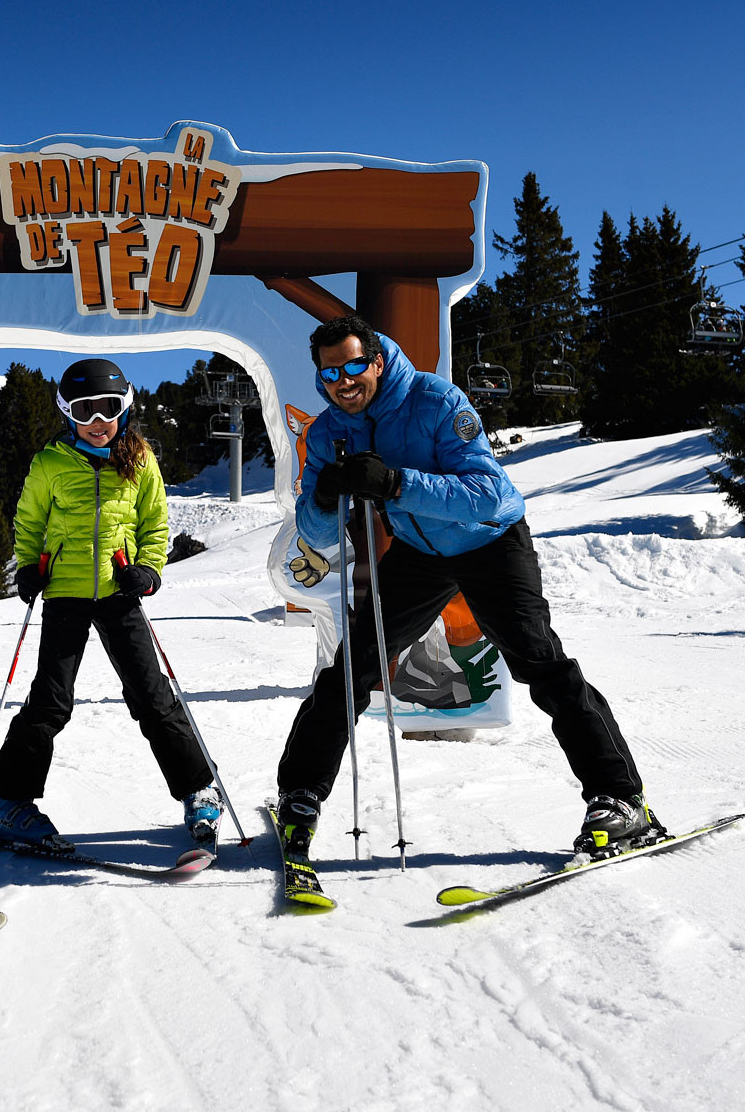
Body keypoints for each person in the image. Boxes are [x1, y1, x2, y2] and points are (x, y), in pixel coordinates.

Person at [275, 315, 652, 860]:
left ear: (377, 361)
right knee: (351, 668)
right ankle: (300, 794)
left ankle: (621, 800)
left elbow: (489, 494)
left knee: (541, 665)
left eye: (355, 365)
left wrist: (397, 483)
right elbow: (313, 534)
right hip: (419, 553)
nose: (344, 380)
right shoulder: (331, 430)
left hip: (490, 544)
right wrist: (326, 495)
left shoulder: (436, 401)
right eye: (330, 371)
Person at [0, 358, 217, 852]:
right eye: (85, 411)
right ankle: (8, 804)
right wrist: (28, 566)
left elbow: (155, 525)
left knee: (152, 696)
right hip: (65, 591)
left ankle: (197, 788)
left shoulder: (140, 459)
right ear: (68, 412)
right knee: (49, 701)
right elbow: (28, 521)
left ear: (124, 407)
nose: (97, 422)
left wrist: (148, 570)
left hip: (118, 593)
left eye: (108, 409)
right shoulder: (49, 463)